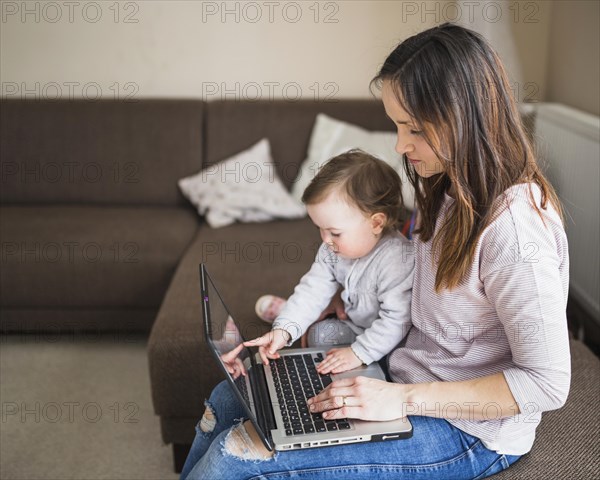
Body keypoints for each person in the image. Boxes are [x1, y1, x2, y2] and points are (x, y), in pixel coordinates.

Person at [180, 23, 570, 480]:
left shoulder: (517, 232)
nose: (401, 145)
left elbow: (546, 383)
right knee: (229, 397)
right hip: (399, 376)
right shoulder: (445, 189)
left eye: (415, 129)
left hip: (468, 431)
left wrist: (400, 399)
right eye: (397, 126)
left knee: (236, 456)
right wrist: (328, 308)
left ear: (468, 117)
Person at [245, 149, 414, 375]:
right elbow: (312, 290)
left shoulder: (396, 260)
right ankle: (289, 317)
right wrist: (283, 331)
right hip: (354, 325)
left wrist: (358, 353)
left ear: (376, 223)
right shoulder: (331, 250)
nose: (325, 240)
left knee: (372, 358)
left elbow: (397, 321)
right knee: (319, 335)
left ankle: (291, 312)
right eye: (320, 229)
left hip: (390, 341)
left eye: (335, 232)